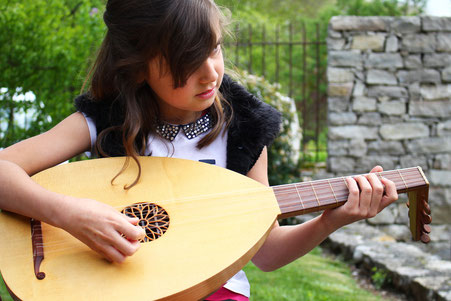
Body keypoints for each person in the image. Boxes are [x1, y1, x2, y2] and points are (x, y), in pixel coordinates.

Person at [0, 0, 398, 300]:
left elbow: (266, 253)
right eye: (189, 61)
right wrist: (69, 214)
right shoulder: (105, 120)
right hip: (124, 289)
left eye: (214, 49)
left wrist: (332, 220)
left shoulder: (243, 129)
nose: (210, 72)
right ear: (138, 66)